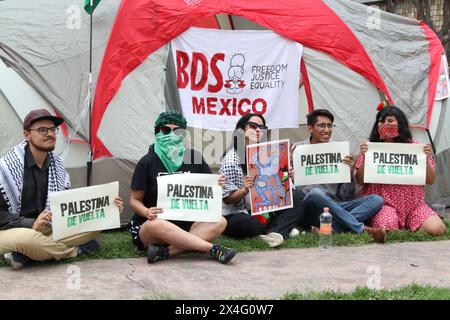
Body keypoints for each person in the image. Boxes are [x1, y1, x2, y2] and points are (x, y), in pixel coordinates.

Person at [0, 109, 124, 270]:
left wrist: (108, 207)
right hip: (13, 231)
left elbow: (66, 207)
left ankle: (26, 255)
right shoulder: (7, 168)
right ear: (27, 135)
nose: (50, 134)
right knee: (28, 239)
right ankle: (75, 250)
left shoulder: (56, 166)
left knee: (94, 226)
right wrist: (31, 224)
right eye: (42, 130)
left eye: (53, 130)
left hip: (46, 228)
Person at [129, 111, 237, 264]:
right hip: (154, 227)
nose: (171, 134)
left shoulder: (195, 158)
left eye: (177, 130)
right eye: (166, 130)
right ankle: (212, 248)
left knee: (220, 221)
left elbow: (208, 192)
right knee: (157, 224)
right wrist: (146, 211)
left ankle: (166, 252)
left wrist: (216, 185)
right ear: (157, 133)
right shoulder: (147, 162)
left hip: (188, 225)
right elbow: (134, 200)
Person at [292, 109, 387, 242]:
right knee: (315, 193)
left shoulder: (339, 150)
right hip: (309, 208)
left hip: (335, 207)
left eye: (330, 125)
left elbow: (346, 195)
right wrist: (289, 171)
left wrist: (349, 172)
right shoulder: (296, 150)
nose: (327, 129)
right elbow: (287, 186)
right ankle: (361, 229)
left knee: (377, 200)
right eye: (322, 125)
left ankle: (331, 229)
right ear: (310, 128)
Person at [355, 105, 446, 236]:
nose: (385, 123)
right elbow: (360, 181)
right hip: (384, 204)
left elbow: (430, 180)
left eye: (390, 120)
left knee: (438, 229)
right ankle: (382, 224)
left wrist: (425, 158)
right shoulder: (371, 148)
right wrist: (366, 157)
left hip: (414, 205)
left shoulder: (416, 147)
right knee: (389, 229)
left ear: (400, 124)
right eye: (381, 121)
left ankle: (410, 222)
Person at [219, 113, 307, 247]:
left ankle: (276, 232)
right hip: (237, 213)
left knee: (299, 196)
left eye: (262, 127)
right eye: (253, 126)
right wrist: (245, 189)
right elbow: (227, 199)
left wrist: (286, 178)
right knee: (251, 225)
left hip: (262, 208)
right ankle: (281, 229)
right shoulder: (231, 160)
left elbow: (276, 191)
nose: (258, 130)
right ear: (241, 131)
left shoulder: (270, 154)